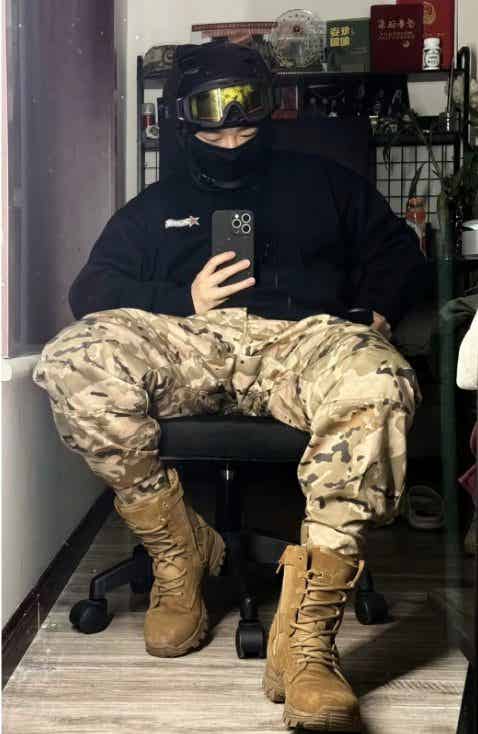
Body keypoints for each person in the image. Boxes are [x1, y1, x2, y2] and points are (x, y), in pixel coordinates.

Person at [32, 40, 428, 732]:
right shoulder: (156, 205)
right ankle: (179, 552)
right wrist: (179, 297)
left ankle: (306, 644)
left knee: (382, 380)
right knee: (75, 358)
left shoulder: (326, 183)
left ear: (269, 112)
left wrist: (375, 307)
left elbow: (400, 254)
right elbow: (91, 290)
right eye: (213, 130)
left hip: (301, 340)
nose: (230, 140)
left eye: (244, 125)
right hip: (190, 341)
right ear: (184, 123)